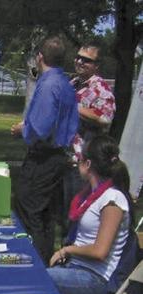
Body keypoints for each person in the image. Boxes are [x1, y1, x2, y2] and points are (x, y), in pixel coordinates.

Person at [10, 35, 79, 265]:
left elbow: (41, 125)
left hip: (44, 156)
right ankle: (47, 259)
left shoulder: (49, 84)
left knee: (29, 207)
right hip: (59, 155)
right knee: (46, 212)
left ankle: (35, 262)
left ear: (40, 57)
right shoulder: (66, 84)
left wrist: (23, 129)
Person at [48, 135, 131, 294]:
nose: (76, 162)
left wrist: (67, 250)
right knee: (29, 271)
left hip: (95, 278)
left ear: (88, 164)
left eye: (79, 159)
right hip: (75, 268)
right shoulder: (90, 195)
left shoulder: (113, 200)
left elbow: (100, 251)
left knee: (36, 278)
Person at [62, 44, 116, 233]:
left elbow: (105, 118)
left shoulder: (101, 89)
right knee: (64, 216)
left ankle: (75, 254)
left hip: (84, 164)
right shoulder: (73, 83)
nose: (79, 61)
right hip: (66, 159)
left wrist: (75, 107)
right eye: (78, 57)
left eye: (86, 60)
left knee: (78, 217)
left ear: (97, 65)